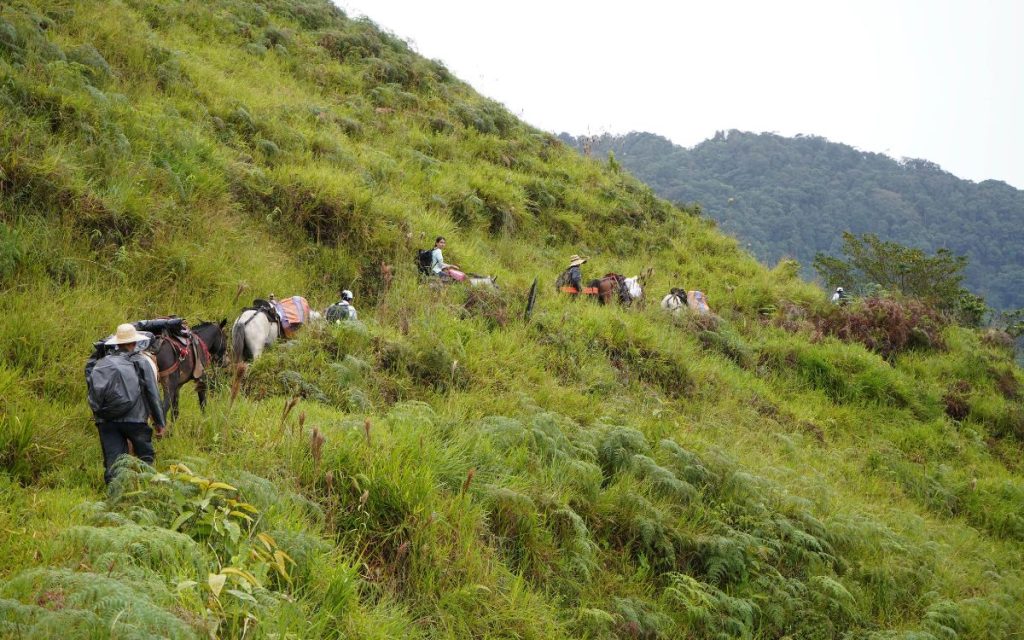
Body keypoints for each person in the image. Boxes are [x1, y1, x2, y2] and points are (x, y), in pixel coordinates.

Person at [89, 323, 166, 484]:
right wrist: (159, 422)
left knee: (113, 463)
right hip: (135, 420)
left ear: (117, 343)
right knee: (145, 458)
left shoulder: (102, 362)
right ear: (134, 343)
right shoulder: (141, 362)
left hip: (106, 421)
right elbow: (152, 393)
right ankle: (145, 492)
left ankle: (114, 495)